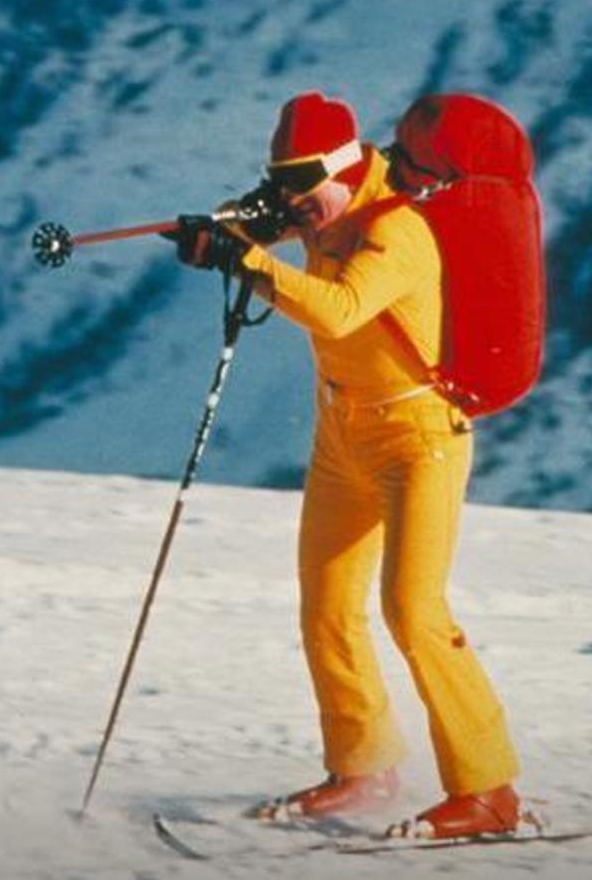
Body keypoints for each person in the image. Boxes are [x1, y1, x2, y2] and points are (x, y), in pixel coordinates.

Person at [170, 92, 522, 840]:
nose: (295, 203)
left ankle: (490, 788)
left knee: (413, 611)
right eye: (283, 184)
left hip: (418, 438)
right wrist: (223, 231)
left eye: (304, 184)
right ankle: (363, 768)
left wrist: (248, 260)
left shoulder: (397, 229)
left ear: (342, 167)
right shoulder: (318, 210)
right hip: (343, 436)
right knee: (327, 604)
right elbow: (261, 231)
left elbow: (338, 309)